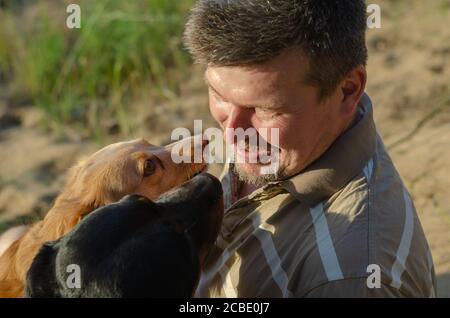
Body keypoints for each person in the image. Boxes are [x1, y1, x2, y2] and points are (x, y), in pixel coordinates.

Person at [183, 0, 436, 297]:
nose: (232, 132)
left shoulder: (346, 275)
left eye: (264, 109)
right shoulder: (290, 139)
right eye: (218, 94)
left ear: (347, 91)